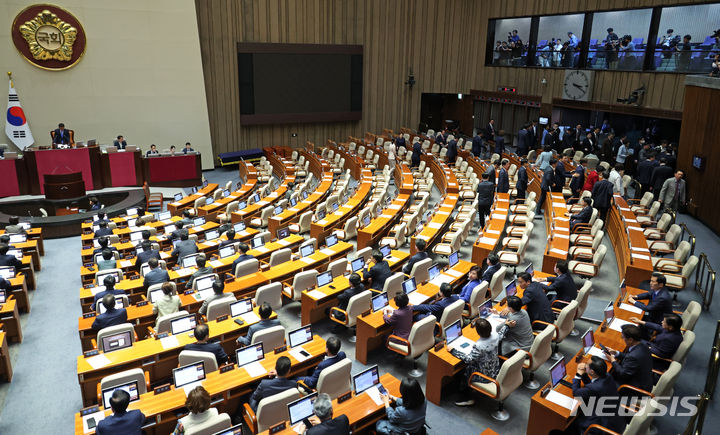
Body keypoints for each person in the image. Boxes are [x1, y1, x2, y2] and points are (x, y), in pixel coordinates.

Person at [452, 318, 502, 407]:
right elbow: (502, 334)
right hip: (494, 369)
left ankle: (466, 398)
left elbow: (468, 359)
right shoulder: (496, 335)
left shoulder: (479, 345)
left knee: (461, 372)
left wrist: (453, 351)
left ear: (478, 332)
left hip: (483, 376)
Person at [571, 357, 623, 434]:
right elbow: (592, 385)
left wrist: (578, 374)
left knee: (574, 423)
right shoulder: (608, 376)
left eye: (587, 365)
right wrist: (585, 373)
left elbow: (576, 393)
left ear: (592, 372)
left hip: (602, 424)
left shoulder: (595, 388)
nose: (585, 365)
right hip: (616, 417)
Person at [604, 324, 654, 392]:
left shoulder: (634, 356)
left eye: (623, 337)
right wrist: (616, 353)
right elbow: (630, 357)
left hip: (634, 388)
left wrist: (612, 360)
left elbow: (622, 374)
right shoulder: (642, 345)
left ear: (630, 340)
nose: (622, 339)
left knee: (603, 380)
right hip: (643, 380)